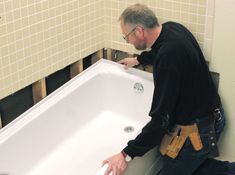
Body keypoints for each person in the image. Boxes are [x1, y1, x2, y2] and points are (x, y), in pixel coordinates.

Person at [102, 4, 234, 175]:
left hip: (200, 130)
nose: (128, 41)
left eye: (126, 37)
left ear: (139, 31)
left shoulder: (167, 60)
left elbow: (160, 121)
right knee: (187, 166)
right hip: (212, 114)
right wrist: (138, 60)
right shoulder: (173, 29)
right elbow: (159, 51)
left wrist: (125, 154)